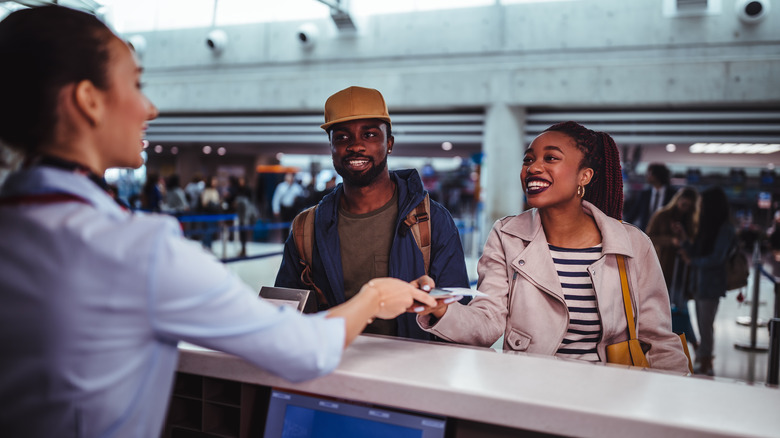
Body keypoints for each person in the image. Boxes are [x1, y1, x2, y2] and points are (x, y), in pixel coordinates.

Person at [0, 6, 438, 437]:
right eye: (135, 83)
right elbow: (300, 347)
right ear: (88, 100)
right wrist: (374, 297)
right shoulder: (136, 250)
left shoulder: (21, 223)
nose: (149, 108)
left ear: (389, 142)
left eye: (369, 134)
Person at [415, 121, 690, 373]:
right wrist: (441, 309)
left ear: (585, 176)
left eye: (551, 158)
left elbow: (658, 340)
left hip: (610, 396)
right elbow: (488, 320)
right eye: (529, 159)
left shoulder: (632, 244)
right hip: (529, 388)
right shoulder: (507, 235)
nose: (533, 167)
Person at [275, 86, 470, 340]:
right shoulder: (307, 227)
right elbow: (286, 311)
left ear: (389, 143)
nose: (356, 146)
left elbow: (461, 319)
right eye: (342, 137)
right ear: (331, 146)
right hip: (333, 369)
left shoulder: (432, 221)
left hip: (412, 371)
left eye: (369, 134)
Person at [678, 187, 737, 376]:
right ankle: (703, 358)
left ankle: (705, 361)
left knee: (706, 325)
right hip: (699, 283)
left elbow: (717, 258)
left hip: (711, 285)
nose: (700, 207)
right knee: (703, 324)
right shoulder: (707, 226)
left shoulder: (725, 229)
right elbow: (697, 250)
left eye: (703, 204)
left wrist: (692, 261)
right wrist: (684, 239)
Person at [646, 187, 699, 348]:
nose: (685, 208)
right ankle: (684, 341)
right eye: (683, 204)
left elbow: (693, 243)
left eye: (688, 206)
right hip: (663, 267)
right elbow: (648, 236)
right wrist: (671, 240)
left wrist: (683, 237)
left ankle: (687, 341)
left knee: (680, 307)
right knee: (665, 306)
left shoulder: (690, 220)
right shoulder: (662, 215)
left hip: (683, 271)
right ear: (678, 200)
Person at [624, 163, 674, 231]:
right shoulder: (644, 194)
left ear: (658, 175)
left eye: (650, 174)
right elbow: (633, 214)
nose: (647, 176)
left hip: (664, 234)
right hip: (646, 233)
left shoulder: (673, 194)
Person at [271, 172, 305, 240]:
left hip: (293, 209)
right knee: (284, 226)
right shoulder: (281, 186)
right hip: (284, 208)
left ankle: (292, 240)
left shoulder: (296, 187)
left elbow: (302, 197)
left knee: (293, 225)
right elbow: (276, 198)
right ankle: (284, 240)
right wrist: (276, 209)